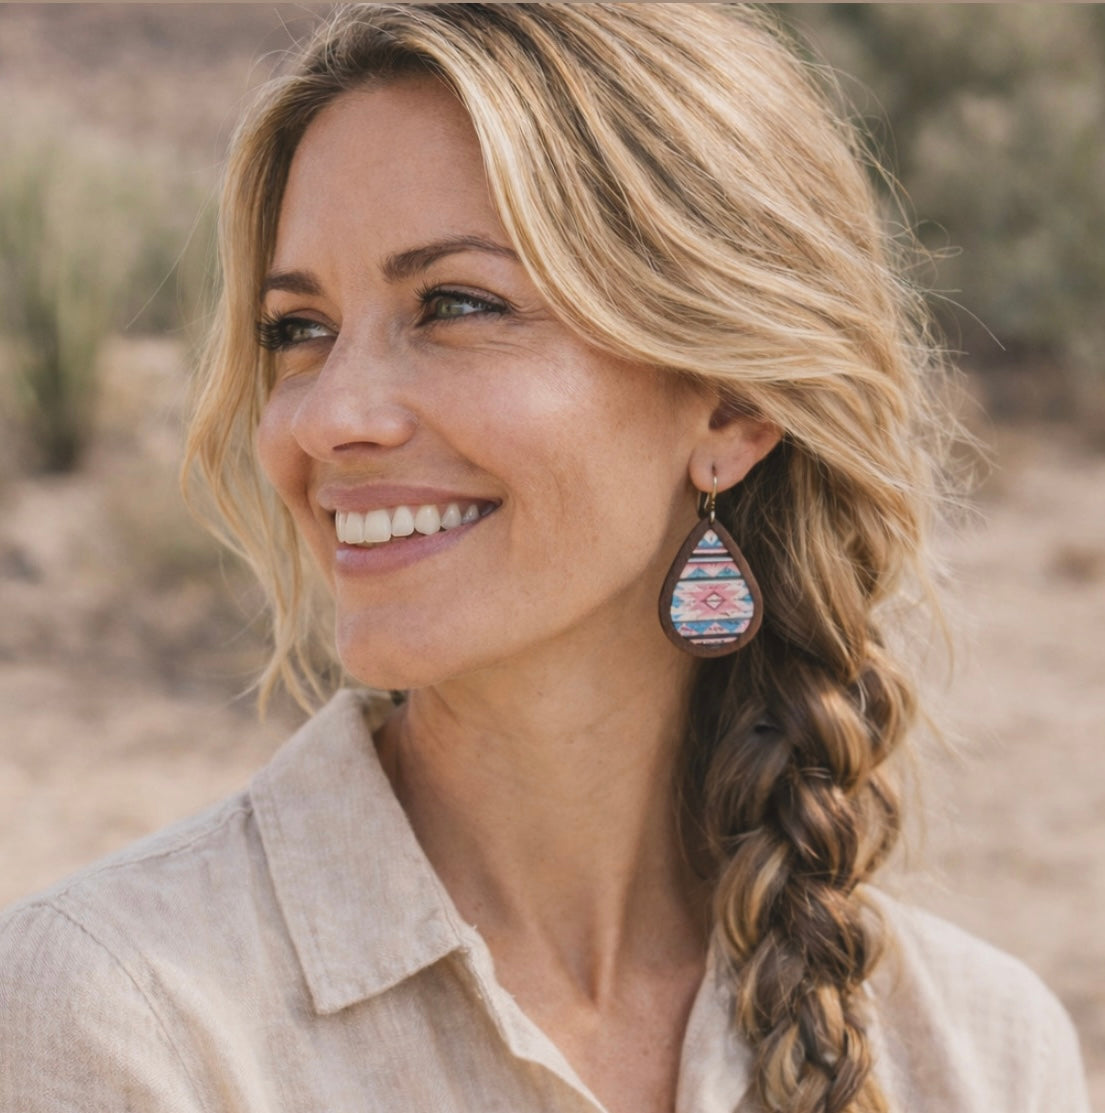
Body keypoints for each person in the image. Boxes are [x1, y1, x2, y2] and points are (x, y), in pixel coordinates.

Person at [0, 5, 1091, 1113]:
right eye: (299, 328)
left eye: (456, 305)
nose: (330, 417)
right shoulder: (114, 1017)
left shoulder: (980, 1052)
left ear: (730, 407)